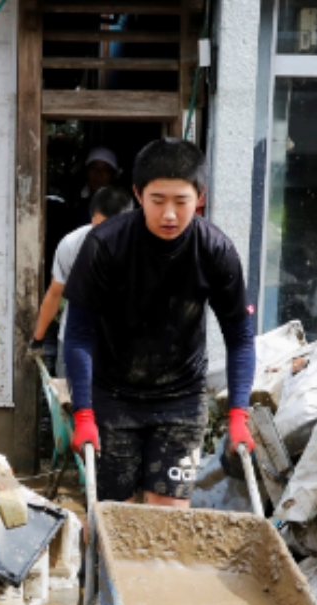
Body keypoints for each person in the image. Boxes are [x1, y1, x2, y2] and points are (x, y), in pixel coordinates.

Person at [63, 138, 256, 506]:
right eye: (158, 201)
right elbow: (78, 334)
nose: (169, 214)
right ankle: (101, 565)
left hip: (180, 399)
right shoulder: (105, 245)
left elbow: (240, 336)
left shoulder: (215, 251)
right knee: (112, 517)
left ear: (200, 196)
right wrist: (84, 411)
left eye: (181, 202)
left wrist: (239, 414)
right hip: (113, 395)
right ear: (137, 194)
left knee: (167, 520)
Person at [30, 186, 135, 378]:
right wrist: (38, 338)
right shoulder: (71, 245)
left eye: (111, 230)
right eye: (98, 228)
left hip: (123, 345)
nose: (103, 236)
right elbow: (55, 293)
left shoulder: (144, 250)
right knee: (71, 402)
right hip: (75, 341)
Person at [73, 146, 121, 228]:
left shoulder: (121, 209)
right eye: (94, 168)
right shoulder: (74, 207)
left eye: (105, 169)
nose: (98, 174)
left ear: (113, 175)